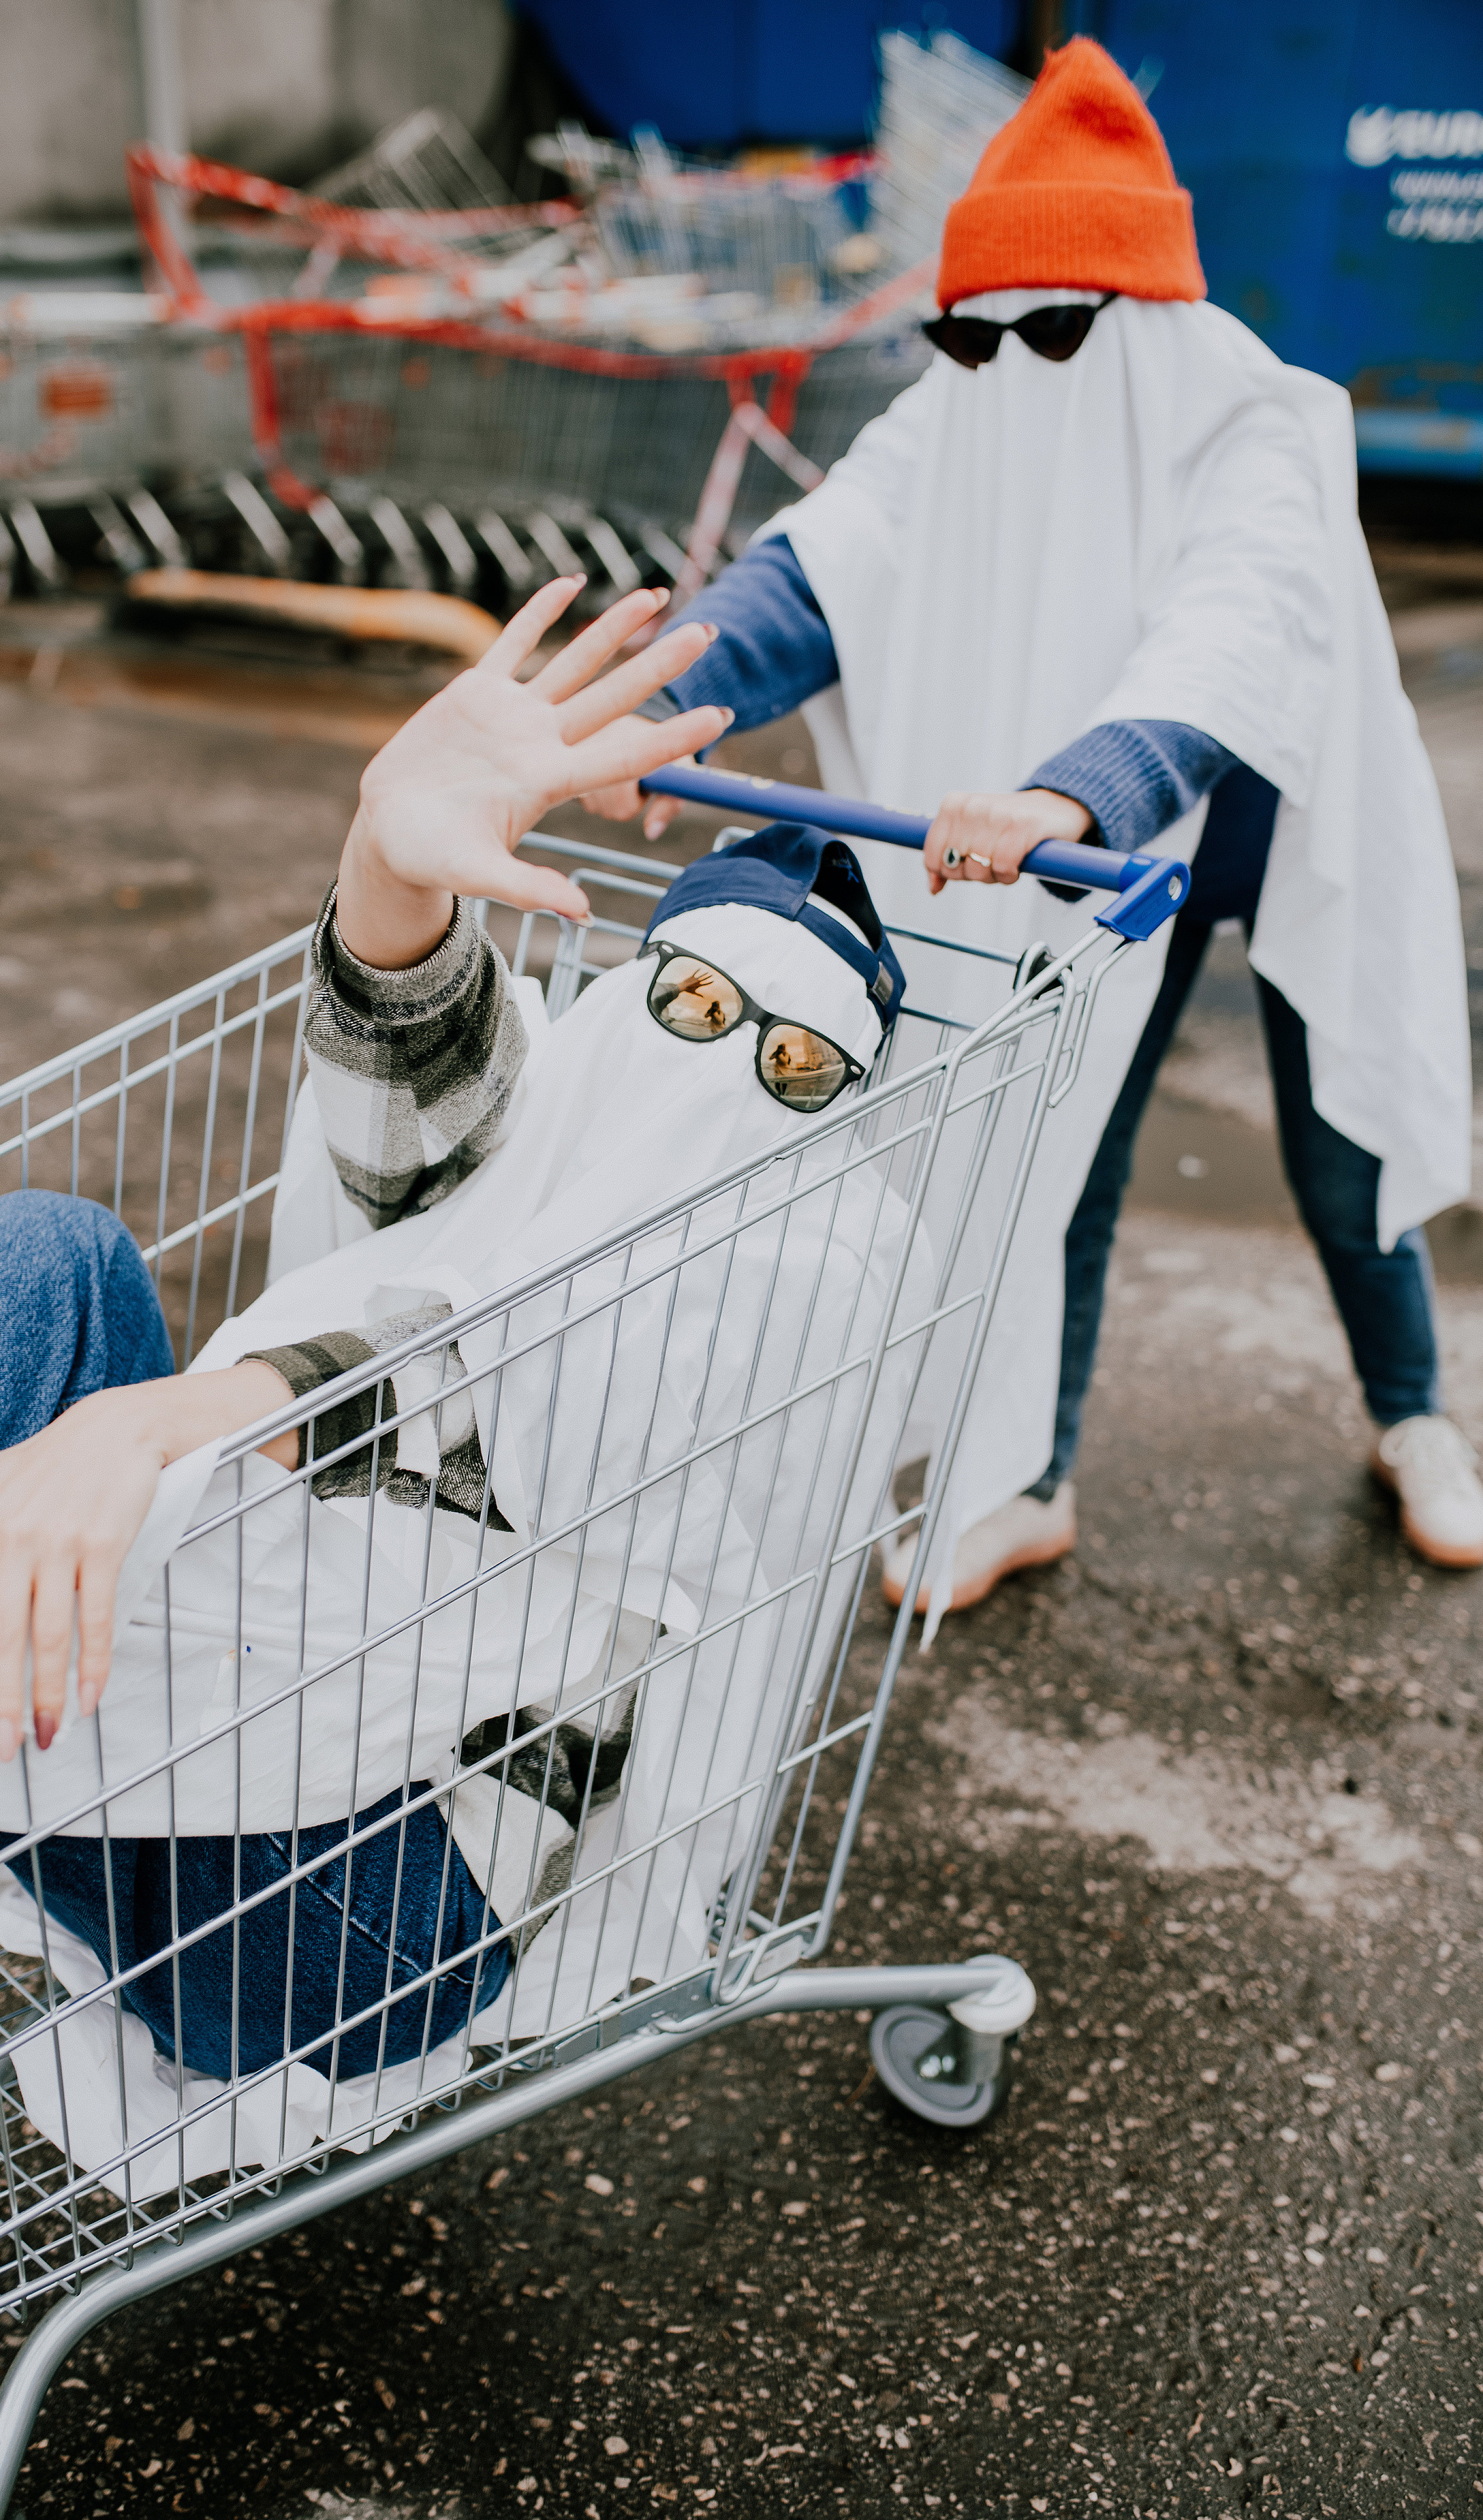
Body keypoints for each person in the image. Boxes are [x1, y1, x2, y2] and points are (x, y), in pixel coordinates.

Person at [0, 575, 910, 2109]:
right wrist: (385, 853)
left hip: (352, 1909)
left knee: (160, 1488)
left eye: (795, 1064)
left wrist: (171, 1420)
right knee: (46, 1251)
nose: (721, 1076)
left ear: (833, 1112)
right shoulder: (531, 1128)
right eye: (699, 1005)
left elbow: (553, 1376)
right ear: (626, 999)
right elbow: (420, 1066)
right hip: (123, 1705)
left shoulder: (801, 1271)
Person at [583, 35, 1479, 1605]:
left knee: (1341, 1147)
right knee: (1056, 1145)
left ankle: (1415, 1417)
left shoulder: (1254, 418)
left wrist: (1080, 788)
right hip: (1088, 867)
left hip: (1250, 822)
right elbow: (817, 564)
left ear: (1140, 316)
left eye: (1047, 323)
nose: (1000, 356)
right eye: (967, 330)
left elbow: (1234, 630)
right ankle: (1021, 1478)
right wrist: (663, 704)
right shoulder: (975, 403)